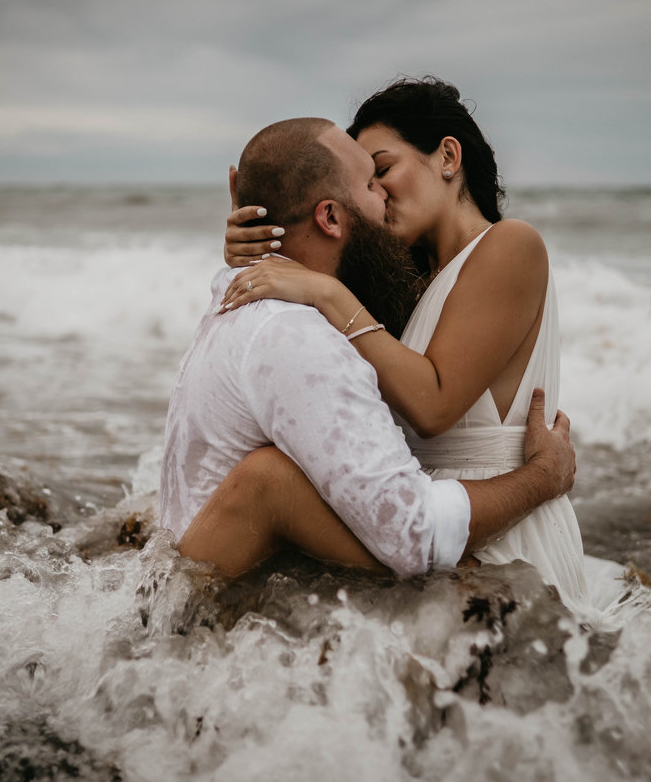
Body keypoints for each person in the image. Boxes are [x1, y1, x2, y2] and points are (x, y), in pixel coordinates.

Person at [216, 77, 590, 603]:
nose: (376, 192)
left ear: (448, 157)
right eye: (365, 181)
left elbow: (433, 404)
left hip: (503, 531)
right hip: (425, 522)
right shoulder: (407, 278)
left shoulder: (511, 245)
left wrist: (327, 292)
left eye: (383, 169)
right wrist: (256, 244)